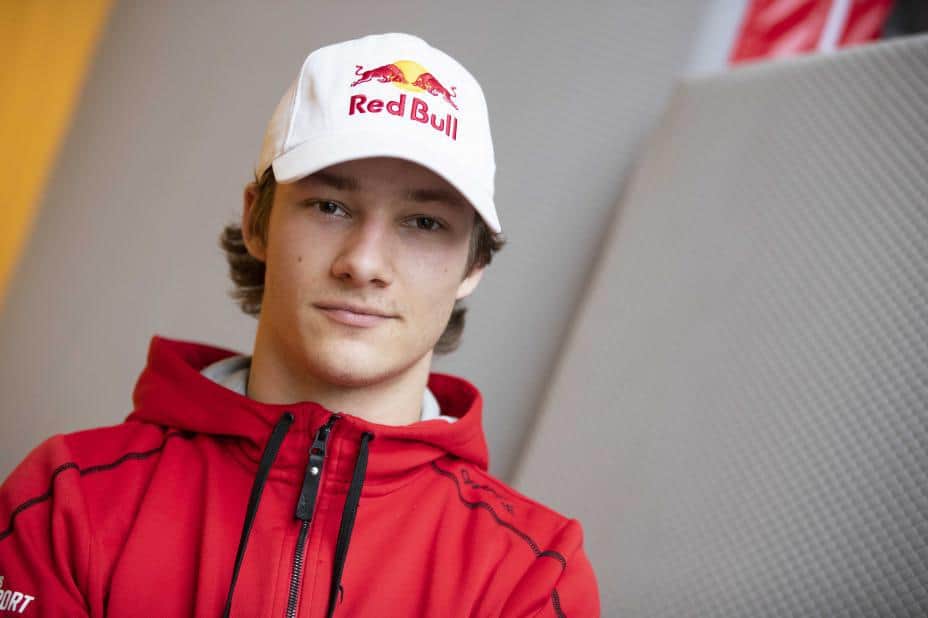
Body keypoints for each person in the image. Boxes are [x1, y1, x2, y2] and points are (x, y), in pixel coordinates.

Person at [0, 33, 600, 616]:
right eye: (329, 206)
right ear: (257, 223)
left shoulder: (529, 578)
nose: (363, 263)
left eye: (423, 222)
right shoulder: (64, 499)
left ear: (474, 264)